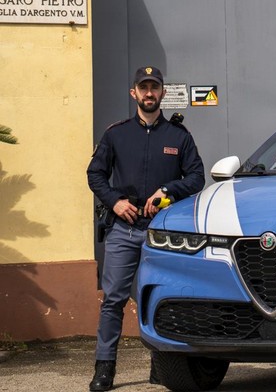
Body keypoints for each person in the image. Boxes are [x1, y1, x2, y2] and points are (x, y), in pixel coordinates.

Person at [86, 66, 205, 391]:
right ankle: (104, 369)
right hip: (123, 229)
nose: (149, 93)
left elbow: (196, 177)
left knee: (160, 296)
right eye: (143, 87)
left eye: (154, 87)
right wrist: (114, 201)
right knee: (113, 300)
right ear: (134, 93)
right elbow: (95, 174)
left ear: (162, 93)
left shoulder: (179, 137)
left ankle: (161, 366)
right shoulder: (117, 134)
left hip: (161, 231)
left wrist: (168, 192)